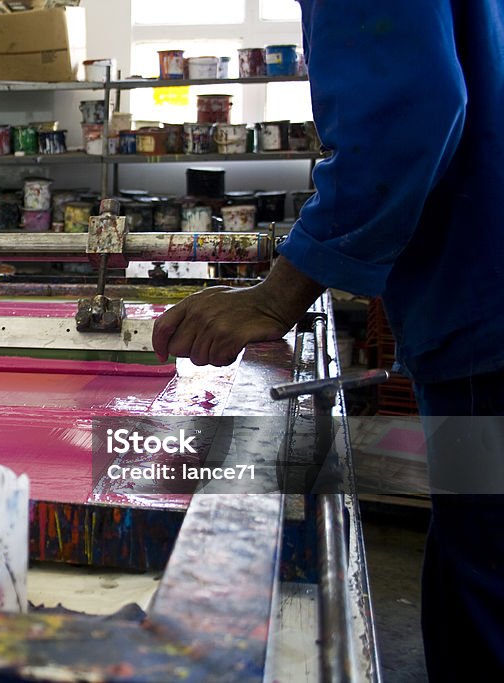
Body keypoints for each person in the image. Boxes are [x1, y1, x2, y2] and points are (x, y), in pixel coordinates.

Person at [152, 1, 504, 679]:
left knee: (485, 591)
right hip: (480, 300)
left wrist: (275, 296)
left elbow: (406, 118)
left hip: (483, 307)